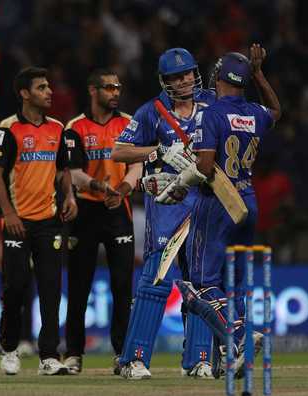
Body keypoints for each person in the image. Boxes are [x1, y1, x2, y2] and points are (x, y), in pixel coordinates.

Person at [156, 44, 281, 377]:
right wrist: (259, 74)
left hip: (217, 203)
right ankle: (234, 351)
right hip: (248, 201)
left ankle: (239, 337)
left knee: (199, 284)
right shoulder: (255, 113)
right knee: (234, 284)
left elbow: (206, 166)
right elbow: (276, 111)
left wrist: (180, 183)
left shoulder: (211, 114)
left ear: (219, 78)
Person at [111, 48, 216, 379]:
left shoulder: (212, 105)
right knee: (155, 284)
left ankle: (198, 359)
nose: (184, 80)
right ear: (165, 81)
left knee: (201, 285)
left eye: (188, 73)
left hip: (203, 206)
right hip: (168, 207)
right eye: (177, 76)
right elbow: (119, 150)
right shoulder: (152, 112)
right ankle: (134, 359)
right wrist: (157, 150)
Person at [0, 66, 78, 376]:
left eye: (48, 86)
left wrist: (69, 198)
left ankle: (49, 356)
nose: (49, 92)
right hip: (18, 223)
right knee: (15, 287)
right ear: (25, 94)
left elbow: (63, 170)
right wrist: (9, 213)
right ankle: (10, 348)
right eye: (41, 87)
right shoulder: (8, 129)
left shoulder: (57, 128)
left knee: (52, 289)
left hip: (49, 222)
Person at [62, 68, 136, 375]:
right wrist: (98, 187)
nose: (115, 92)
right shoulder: (75, 127)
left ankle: (122, 354)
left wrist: (121, 190)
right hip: (86, 211)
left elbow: (137, 166)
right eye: (108, 88)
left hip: (119, 210)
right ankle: (74, 354)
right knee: (79, 287)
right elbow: (73, 173)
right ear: (93, 91)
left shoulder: (130, 123)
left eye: (118, 87)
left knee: (122, 286)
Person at [0, 189, 35, 357]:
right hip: (7, 255)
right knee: (11, 298)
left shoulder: (31, 187)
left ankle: (26, 340)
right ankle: (9, 343)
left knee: (27, 299)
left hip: (29, 254)